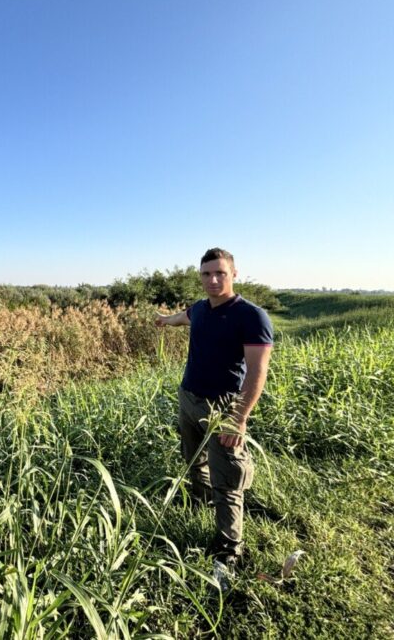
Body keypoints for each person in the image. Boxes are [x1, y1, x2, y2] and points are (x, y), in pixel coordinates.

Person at [155, 247, 273, 588]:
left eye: (220, 273)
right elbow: (184, 316)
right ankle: (200, 501)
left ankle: (228, 550)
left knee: (229, 481)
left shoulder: (251, 316)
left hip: (223, 409)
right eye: (206, 274)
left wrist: (238, 419)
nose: (213, 279)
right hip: (188, 398)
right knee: (194, 460)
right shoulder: (201, 309)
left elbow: (256, 372)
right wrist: (164, 320)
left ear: (234, 274)